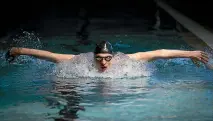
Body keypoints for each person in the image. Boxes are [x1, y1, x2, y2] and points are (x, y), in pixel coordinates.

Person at [5, 40, 209, 72]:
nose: (103, 63)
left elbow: (159, 53)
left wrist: (190, 53)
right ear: (92, 57)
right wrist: (19, 51)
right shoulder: (80, 61)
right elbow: (49, 55)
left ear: (113, 57)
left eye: (107, 58)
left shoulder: (125, 60)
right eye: (99, 59)